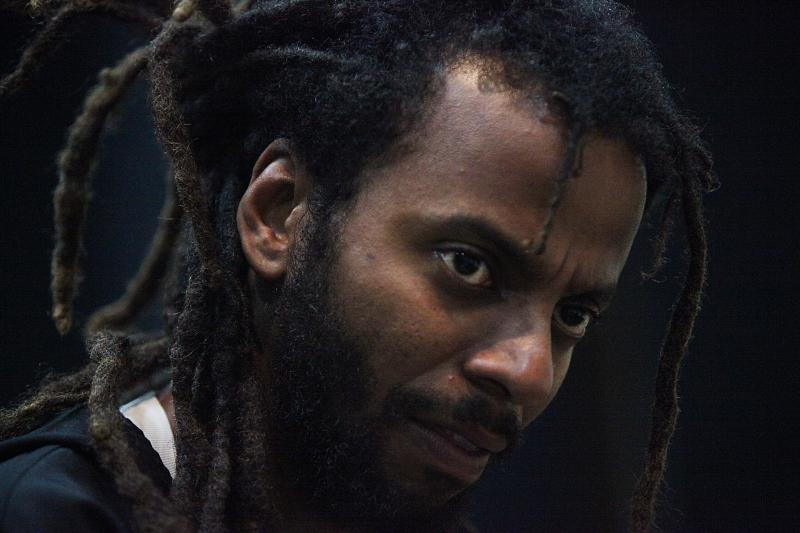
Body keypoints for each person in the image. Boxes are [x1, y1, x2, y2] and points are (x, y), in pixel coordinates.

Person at [0, 1, 716, 532]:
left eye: (572, 314)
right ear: (279, 215)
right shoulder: (50, 514)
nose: (530, 371)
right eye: (469, 265)